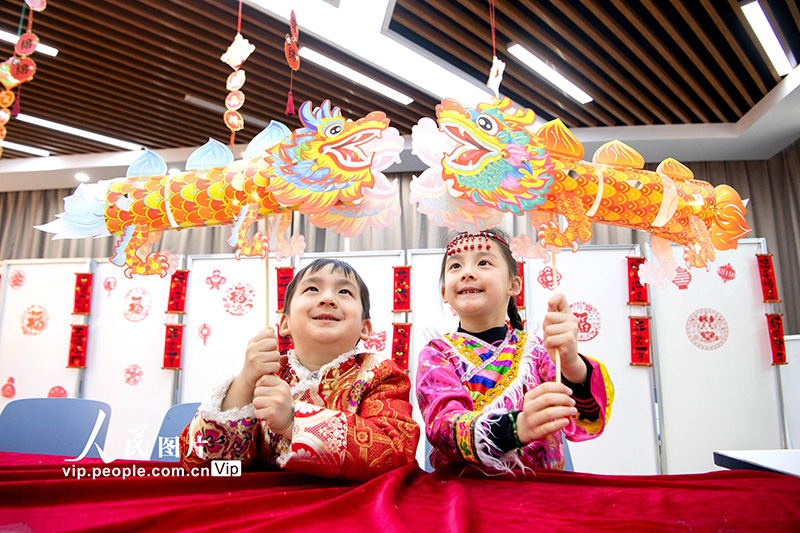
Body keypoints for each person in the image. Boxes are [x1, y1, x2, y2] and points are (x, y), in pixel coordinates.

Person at [180, 258, 420, 483]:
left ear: (365, 328)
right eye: (312, 289)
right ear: (285, 323)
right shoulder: (266, 376)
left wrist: (292, 423)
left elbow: (396, 453)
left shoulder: (379, 374)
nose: (328, 299)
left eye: (344, 292)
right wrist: (244, 382)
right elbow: (204, 468)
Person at [416, 229, 614, 473]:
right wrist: (516, 427)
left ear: (514, 284)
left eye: (483, 262)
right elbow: (442, 426)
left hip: (540, 489)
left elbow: (583, 417)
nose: (467, 273)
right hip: (466, 490)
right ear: (445, 292)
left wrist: (571, 363)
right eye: (455, 266)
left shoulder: (538, 351)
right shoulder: (437, 355)